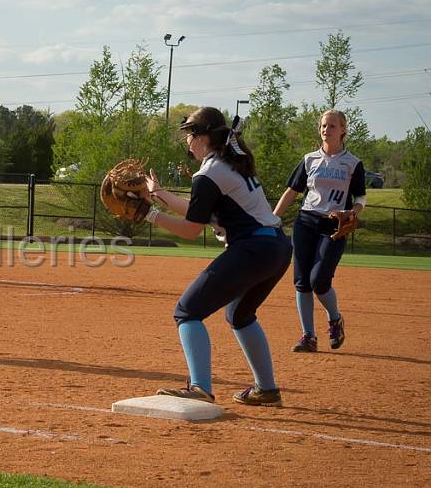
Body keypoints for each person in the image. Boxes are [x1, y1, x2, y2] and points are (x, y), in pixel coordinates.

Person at [143, 107, 291, 406]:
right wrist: (158, 194)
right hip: (276, 247)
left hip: (252, 248)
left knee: (187, 311)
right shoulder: (227, 164)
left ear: (204, 137)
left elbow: (191, 230)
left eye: (191, 134)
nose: (188, 141)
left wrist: (150, 215)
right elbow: (198, 210)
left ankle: (200, 387)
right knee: (239, 314)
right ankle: (266, 389)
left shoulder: (209, 172)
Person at [273, 109, 366, 353]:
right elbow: (292, 192)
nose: (326, 129)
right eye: (324, 125)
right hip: (306, 222)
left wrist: (353, 212)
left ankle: (335, 319)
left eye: (332, 126)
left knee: (320, 280)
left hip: (334, 225)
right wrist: (272, 219)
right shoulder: (309, 160)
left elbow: (361, 197)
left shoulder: (353, 164)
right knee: (302, 282)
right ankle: (308, 337)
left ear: (343, 130)